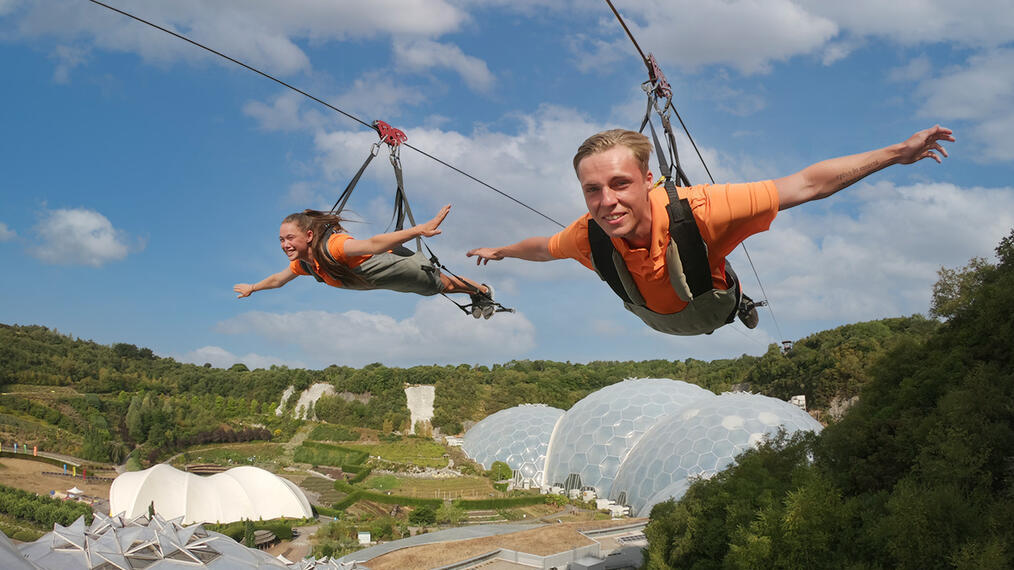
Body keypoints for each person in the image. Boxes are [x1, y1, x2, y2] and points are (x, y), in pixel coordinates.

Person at [466, 125, 954, 335]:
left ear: (649, 180)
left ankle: (740, 302)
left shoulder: (700, 210)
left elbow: (806, 184)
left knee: (708, 277)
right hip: (657, 318)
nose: (606, 201)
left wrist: (895, 154)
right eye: (592, 190)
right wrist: (502, 251)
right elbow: (544, 248)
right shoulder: (587, 234)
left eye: (619, 184)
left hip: (709, 306)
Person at [235, 204, 499, 318]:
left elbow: (372, 244)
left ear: (308, 235)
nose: (285, 245)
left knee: (442, 286)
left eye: (289, 238)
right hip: (380, 280)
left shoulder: (334, 247)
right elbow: (278, 279)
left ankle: (483, 291)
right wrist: (253, 288)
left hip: (388, 267)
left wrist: (419, 230)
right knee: (438, 288)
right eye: (281, 240)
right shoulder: (304, 264)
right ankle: (478, 292)